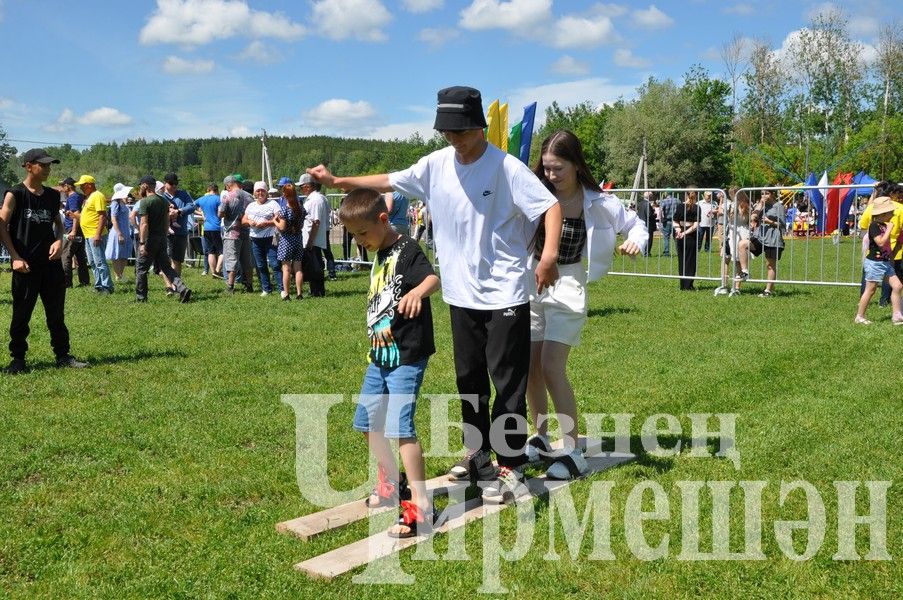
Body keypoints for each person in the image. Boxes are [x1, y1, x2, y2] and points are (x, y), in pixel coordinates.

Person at [308, 85, 563, 503]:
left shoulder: (505, 167)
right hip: (461, 296)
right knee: (470, 381)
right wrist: (338, 181)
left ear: (479, 126)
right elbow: (390, 179)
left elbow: (549, 206)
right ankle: (478, 454)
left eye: (462, 131)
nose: (455, 139)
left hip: (505, 294)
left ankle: (510, 463)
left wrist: (548, 256)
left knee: (508, 381)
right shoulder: (436, 165)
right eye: (448, 132)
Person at [525, 130, 647, 479]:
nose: (551, 175)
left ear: (577, 165)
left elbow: (635, 224)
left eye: (558, 168)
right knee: (531, 367)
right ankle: (540, 437)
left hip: (568, 287)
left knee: (551, 366)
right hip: (531, 285)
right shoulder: (535, 194)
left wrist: (635, 242)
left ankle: (573, 451)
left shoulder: (599, 202)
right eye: (546, 168)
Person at [337, 188, 442, 536]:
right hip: (379, 357)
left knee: (401, 427)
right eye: (353, 236)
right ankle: (391, 482)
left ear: (383, 220)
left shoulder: (408, 249)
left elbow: (432, 279)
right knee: (367, 422)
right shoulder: (379, 250)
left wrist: (416, 293)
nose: (359, 241)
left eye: (363, 233)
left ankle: (421, 504)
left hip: (406, 356)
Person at [0, 148, 87, 374]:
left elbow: (58, 223)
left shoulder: (51, 195)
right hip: (25, 266)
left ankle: (63, 355)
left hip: (51, 265)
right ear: (29, 166)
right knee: (21, 314)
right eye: (44, 165)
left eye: (50, 165)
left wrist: (59, 241)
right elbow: (1, 225)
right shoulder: (15, 194)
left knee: (56, 313)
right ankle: (18, 359)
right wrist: (15, 257)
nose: (48, 169)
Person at [134, 175, 192, 304]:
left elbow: (144, 224)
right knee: (166, 267)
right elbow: (167, 221)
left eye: (140, 186)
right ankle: (182, 288)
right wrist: (164, 234)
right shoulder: (163, 201)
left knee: (141, 268)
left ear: (145, 186)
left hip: (150, 239)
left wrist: (142, 243)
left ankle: (141, 297)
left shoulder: (145, 202)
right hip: (162, 238)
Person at [855, 196, 903, 325]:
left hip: (885, 262)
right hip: (875, 263)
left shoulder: (883, 225)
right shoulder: (874, 226)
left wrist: (891, 258)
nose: (893, 214)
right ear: (883, 214)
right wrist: (889, 229)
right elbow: (880, 243)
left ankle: (897, 315)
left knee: (898, 286)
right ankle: (860, 316)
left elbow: (886, 246)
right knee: (871, 290)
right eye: (890, 212)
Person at [737, 190, 784, 297]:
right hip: (760, 237)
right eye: (762, 194)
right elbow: (753, 217)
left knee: (770, 265)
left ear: (772, 194)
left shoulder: (778, 206)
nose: (764, 196)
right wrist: (760, 205)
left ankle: (768, 290)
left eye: (767, 193)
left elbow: (782, 225)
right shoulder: (761, 205)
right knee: (742, 244)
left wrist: (770, 222)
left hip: (773, 238)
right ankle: (745, 272)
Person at [75, 174, 113, 294]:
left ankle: (107, 286)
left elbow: (102, 216)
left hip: (95, 234)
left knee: (100, 261)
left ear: (89, 185)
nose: (80, 187)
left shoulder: (98, 196)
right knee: (92, 262)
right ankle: (99, 285)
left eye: (82, 185)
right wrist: (73, 215)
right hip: (88, 234)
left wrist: (97, 234)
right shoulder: (89, 197)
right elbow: (87, 216)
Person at [219, 175, 255, 294]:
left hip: (232, 232)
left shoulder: (227, 196)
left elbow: (221, 213)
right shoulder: (249, 196)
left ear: (228, 185)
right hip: (246, 231)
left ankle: (230, 286)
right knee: (246, 260)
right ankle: (249, 285)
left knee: (231, 259)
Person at [244, 181, 281, 296]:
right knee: (260, 265)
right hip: (255, 239)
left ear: (266, 192)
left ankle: (282, 289)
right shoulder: (251, 206)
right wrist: (250, 221)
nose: (260, 193)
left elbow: (279, 219)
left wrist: (267, 223)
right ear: (255, 193)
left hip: (270, 238)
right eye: (258, 191)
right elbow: (243, 220)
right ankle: (266, 289)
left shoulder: (273, 204)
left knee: (275, 264)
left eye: (262, 191)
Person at [713, 188, 751, 297]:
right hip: (730, 233)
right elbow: (720, 212)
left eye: (731, 194)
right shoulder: (732, 205)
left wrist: (723, 202)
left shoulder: (744, 205)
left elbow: (721, 212)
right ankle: (725, 285)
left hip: (740, 233)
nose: (731, 195)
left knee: (737, 260)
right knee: (726, 259)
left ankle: (736, 287)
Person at [298, 173, 329, 297]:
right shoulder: (314, 198)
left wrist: (310, 241)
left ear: (307, 186)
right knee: (313, 266)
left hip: (313, 240)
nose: (300, 189)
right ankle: (316, 290)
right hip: (312, 239)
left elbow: (316, 222)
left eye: (301, 187)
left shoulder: (315, 200)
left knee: (315, 267)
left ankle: (317, 291)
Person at [273, 182, 305, 300]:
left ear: (285, 195)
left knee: (286, 268)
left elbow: (281, 227)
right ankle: (299, 293)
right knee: (298, 267)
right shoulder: (301, 209)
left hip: (286, 240)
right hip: (298, 238)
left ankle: (286, 294)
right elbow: (301, 225)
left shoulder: (284, 210)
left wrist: (274, 220)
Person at [161, 173, 195, 277]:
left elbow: (192, 206)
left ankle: (176, 283)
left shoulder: (183, 194)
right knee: (168, 260)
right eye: (171, 183)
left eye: (176, 183)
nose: (174, 186)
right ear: (165, 183)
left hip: (181, 232)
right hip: (165, 233)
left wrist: (179, 211)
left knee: (177, 260)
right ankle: (171, 285)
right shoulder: (161, 196)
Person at [59, 176, 90, 287]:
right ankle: (85, 281)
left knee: (65, 255)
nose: (62, 188)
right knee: (80, 256)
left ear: (68, 186)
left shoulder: (72, 198)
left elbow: (75, 214)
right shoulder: (80, 196)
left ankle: (67, 283)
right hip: (81, 230)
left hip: (73, 229)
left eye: (63, 186)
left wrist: (73, 231)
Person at [105, 183, 134, 281]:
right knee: (116, 255)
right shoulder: (115, 203)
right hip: (118, 231)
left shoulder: (122, 202)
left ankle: (120, 274)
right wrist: (119, 233)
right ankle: (118, 276)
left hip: (125, 230)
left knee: (123, 254)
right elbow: (114, 219)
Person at [194, 183, 223, 278]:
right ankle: (218, 270)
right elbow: (221, 212)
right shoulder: (219, 199)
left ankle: (213, 271)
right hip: (216, 227)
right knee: (222, 251)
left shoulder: (202, 199)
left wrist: (201, 213)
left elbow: (192, 206)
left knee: (211, 251)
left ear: (208, 190)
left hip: (206, 228)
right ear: (217, 190)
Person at [673, 189, 700, 290]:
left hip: (680, 235)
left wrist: (678, 229)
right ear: (696, 196)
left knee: (682, 260)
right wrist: (682, 232)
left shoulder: (680, 206)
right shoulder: (696, 207)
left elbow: (675, 220)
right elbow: (696, 225)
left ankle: (683, 285)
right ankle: (688, 285)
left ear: (686, 195)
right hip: (690, 235)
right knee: (690, 260)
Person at [636, 191, 656, 256]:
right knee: (649, 239)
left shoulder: (640, 203)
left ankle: (643, 251)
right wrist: (654, 214)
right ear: (649, 197)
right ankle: (647, 252)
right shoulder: (647, 204)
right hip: (648, 224)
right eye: (651, 196)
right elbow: (649, 215)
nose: (652, 197)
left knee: (643, 238)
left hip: (641, 223)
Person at [659, 191, 678, 256]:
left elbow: (660, 211)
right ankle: (679, 251)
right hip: (676, 221)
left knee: (666, 238)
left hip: (667, 221)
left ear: (666, 193)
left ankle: (666, 253)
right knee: (676, 237)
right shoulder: (677, 200)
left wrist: (661, 219)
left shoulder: (663, 201)